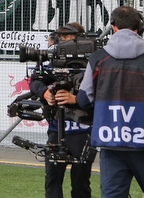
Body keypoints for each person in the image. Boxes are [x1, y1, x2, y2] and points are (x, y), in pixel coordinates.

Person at [77, 5, 144, 198]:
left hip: (111, 143)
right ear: (138, 27)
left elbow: (83, 100)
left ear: (113, 26)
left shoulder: (98, 58)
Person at [29, 22, 95, 198]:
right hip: (57, 129)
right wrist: (44, 94)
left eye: (67, 37)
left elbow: (104, 93)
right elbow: (35, 81)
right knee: (52, 179)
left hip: (85, 130)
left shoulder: (94, 63)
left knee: (81, 182)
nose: (63, 41)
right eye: (61, 37)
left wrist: (77, 99)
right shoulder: (53, 61)